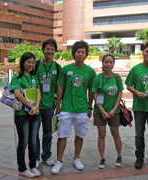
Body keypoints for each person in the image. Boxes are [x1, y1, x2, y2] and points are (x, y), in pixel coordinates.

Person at [51, 40, 96, 174]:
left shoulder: (90, 71)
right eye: (78, 52)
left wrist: (90, 107)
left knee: (80, 135)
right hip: (66, 107)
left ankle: (77, 158)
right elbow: (60, 88)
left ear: (86, 54)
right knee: (62, 135)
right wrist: (58, 106)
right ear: (74, 53)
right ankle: (59, 161)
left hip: (82, 109)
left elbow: (91, 91)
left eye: (83, 52)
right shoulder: (66, 69)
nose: (80, 54)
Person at [10, 52, 41, 178]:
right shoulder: (17, 77)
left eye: (33, 62)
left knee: (33, 142)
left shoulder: (34, 77)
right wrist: (29, 105)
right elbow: (17, 94)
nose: (31, 64)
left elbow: (38, 92)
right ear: (23, 62)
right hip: (22, 114)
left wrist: (36, 106)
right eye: (28, 61)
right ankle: (22, 168)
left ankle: (32, 166)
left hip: (34, 113)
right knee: (23, 143)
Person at [91, 54, 124, 169]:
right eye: (106, 62)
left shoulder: (116, 77)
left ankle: (119, 156)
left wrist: (114, 109)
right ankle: (102, 158)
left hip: (114, 111)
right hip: (100, 112)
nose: (108, 64)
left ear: (113, 64)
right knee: (101, 135)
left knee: (116, 135)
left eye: (111, 62)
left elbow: (120, 93)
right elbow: (94, 94)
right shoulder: (97, 78)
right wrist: (103, 111)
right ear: (102, 63)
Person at [34, 39, 62, 167]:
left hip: (50, 105)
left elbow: (58, 87)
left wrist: (58, 105)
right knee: (34, 132)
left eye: (52, 49)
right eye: (47, 49)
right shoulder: (36, 65)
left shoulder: (57, 67)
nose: (50, 51)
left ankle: (46, 155)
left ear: (55, 51)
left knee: (48, 133)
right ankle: (36, 157)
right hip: (35, 105)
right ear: (43, 50)